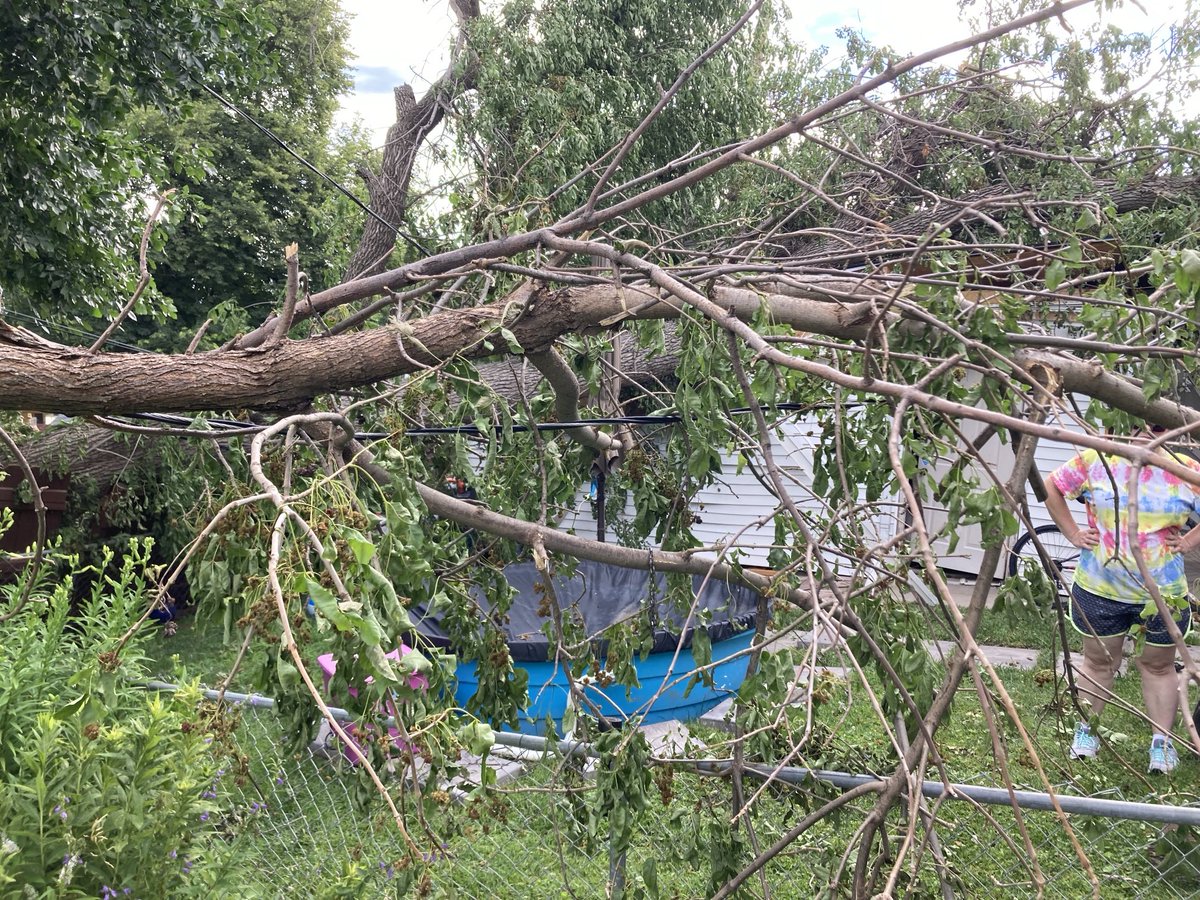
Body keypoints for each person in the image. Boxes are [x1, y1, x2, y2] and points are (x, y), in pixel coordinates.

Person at [1043, 423, 1200, 774]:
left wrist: (1189, 542)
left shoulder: (1183, 469)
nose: (1144, 431)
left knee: (1158, 666)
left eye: (1155, 425)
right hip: (1101, 588)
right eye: (1132, 423)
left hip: (1163, 594)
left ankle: (1162, 743)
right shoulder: (1094, 460)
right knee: (1099, 663)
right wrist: (1071, 532)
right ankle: (1087, 731)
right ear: (1115, 423)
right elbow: (1051, 486)